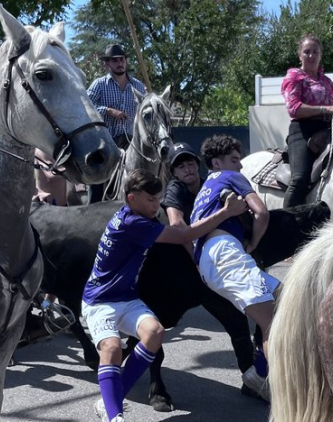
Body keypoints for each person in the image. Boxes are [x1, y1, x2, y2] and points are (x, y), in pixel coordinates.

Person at [83, 168, 246, 421]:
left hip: (126, 298)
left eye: (159, 199)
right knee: (112, 348)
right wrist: (226, 212)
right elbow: (185, 234)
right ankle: (114, 416)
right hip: (100, 301)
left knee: (155, 333)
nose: (156, 206)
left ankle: (109, 402)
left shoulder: (135, 216)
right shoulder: (132, 223)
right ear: (131, 198)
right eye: (151, 200)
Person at [190, 134, 277, 401]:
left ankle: (257, 375)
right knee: (274, 322)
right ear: (217, 162)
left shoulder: (206, 189)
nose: (240, 166)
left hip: (210, 260)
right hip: (227, 253)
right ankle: (271, 385)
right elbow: (262, 213)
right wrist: (252, 243)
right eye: (235, 159)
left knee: (285, 298)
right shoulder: (230, 177)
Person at [280, 34, 333, 208]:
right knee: (300, 178)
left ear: (320, 55)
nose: (311, 56)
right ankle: (286, 223)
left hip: (328, 132)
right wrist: (326, 109)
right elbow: (294, 108)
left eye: (315, 52)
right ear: (299, 55)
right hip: (303, 131)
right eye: (307, 52)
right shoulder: (294, 77)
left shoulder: (327, 81)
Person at [86, 43, 146, 204]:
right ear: (107, 64)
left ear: (126, 61)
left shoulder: (138, 86)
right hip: (105, 140)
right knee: (97, 176)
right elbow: (85, 106)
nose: (119, 63)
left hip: (130, 141)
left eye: (122, 60)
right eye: (115, 61)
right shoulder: (99, 84)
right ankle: (93, 207)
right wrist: (108, 111)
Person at [161, 142, 202, 256]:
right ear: (174, 173)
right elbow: (176, 223)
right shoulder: (175, 188)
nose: (187, 170)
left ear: (197, 164)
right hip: (186, 251)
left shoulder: (209, 184)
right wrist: (196, 255)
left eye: (190, 163)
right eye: (181, 167)